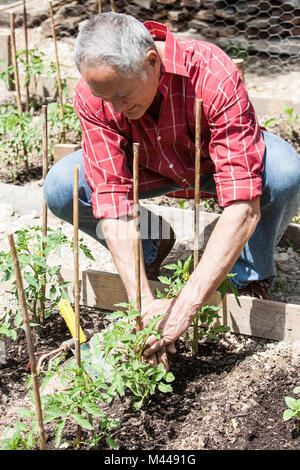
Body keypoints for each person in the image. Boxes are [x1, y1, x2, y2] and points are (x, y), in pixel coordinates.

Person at [43, 12, 300, 369]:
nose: (115, 108)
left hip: (209, 165)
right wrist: (143, 306)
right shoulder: (97, 94)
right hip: (147, 166)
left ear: (151, 62)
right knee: (62, 187)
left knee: (284, 171)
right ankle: (151, 243)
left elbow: (243, 202)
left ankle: (248, 272)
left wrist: (182, 310)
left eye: (122, 96)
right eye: (107, 100)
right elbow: (112, 199)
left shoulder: (209, 71)